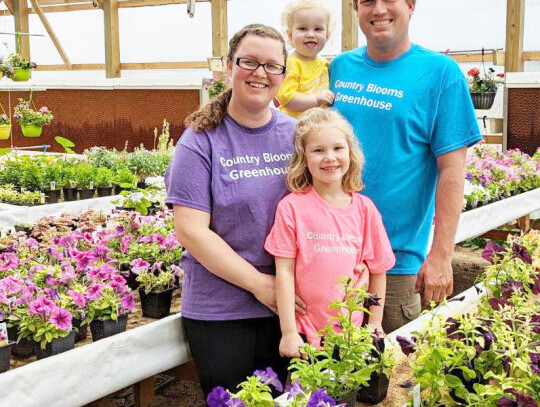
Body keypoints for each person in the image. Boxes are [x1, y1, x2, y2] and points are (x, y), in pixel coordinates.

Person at [329, 0, 482, 333]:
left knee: (392, 375)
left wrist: (441, 255)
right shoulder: (339, 68)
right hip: (330, 252)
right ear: (357, 8)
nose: (378, 9)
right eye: (367, 1)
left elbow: (452, 172)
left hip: (395, 261)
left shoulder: (440, 74)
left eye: (390, 0)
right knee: (332, 373)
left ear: (411, 5)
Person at [164, 24, 300, 398]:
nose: (260, 73)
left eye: (272, 65)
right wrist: (261, 285)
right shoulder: (200, 140)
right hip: (222, 311)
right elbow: (191, 231)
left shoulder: (297, 134)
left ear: (283, 75)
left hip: (290, 307)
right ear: (229, 66)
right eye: (249, 62)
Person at [264, 108, 395, 357]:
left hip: (350, 336)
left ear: (351, 153)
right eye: (318, 150)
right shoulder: (291, 208)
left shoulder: (365, 210)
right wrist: (289, 332)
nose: (330, 157)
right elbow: (284, 272)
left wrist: (375, 323)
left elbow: (378, 271)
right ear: (303, 158)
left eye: (338, 148)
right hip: (305, 334)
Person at [276, 0, 335, 118]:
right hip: (294, 127)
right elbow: (286, 98)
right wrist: (316, 99)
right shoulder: (291, 63)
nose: (310, 34)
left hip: (317, 125)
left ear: (327, 36)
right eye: (303, 28)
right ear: (291, 35)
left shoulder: (324, 64)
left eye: (318, 29)